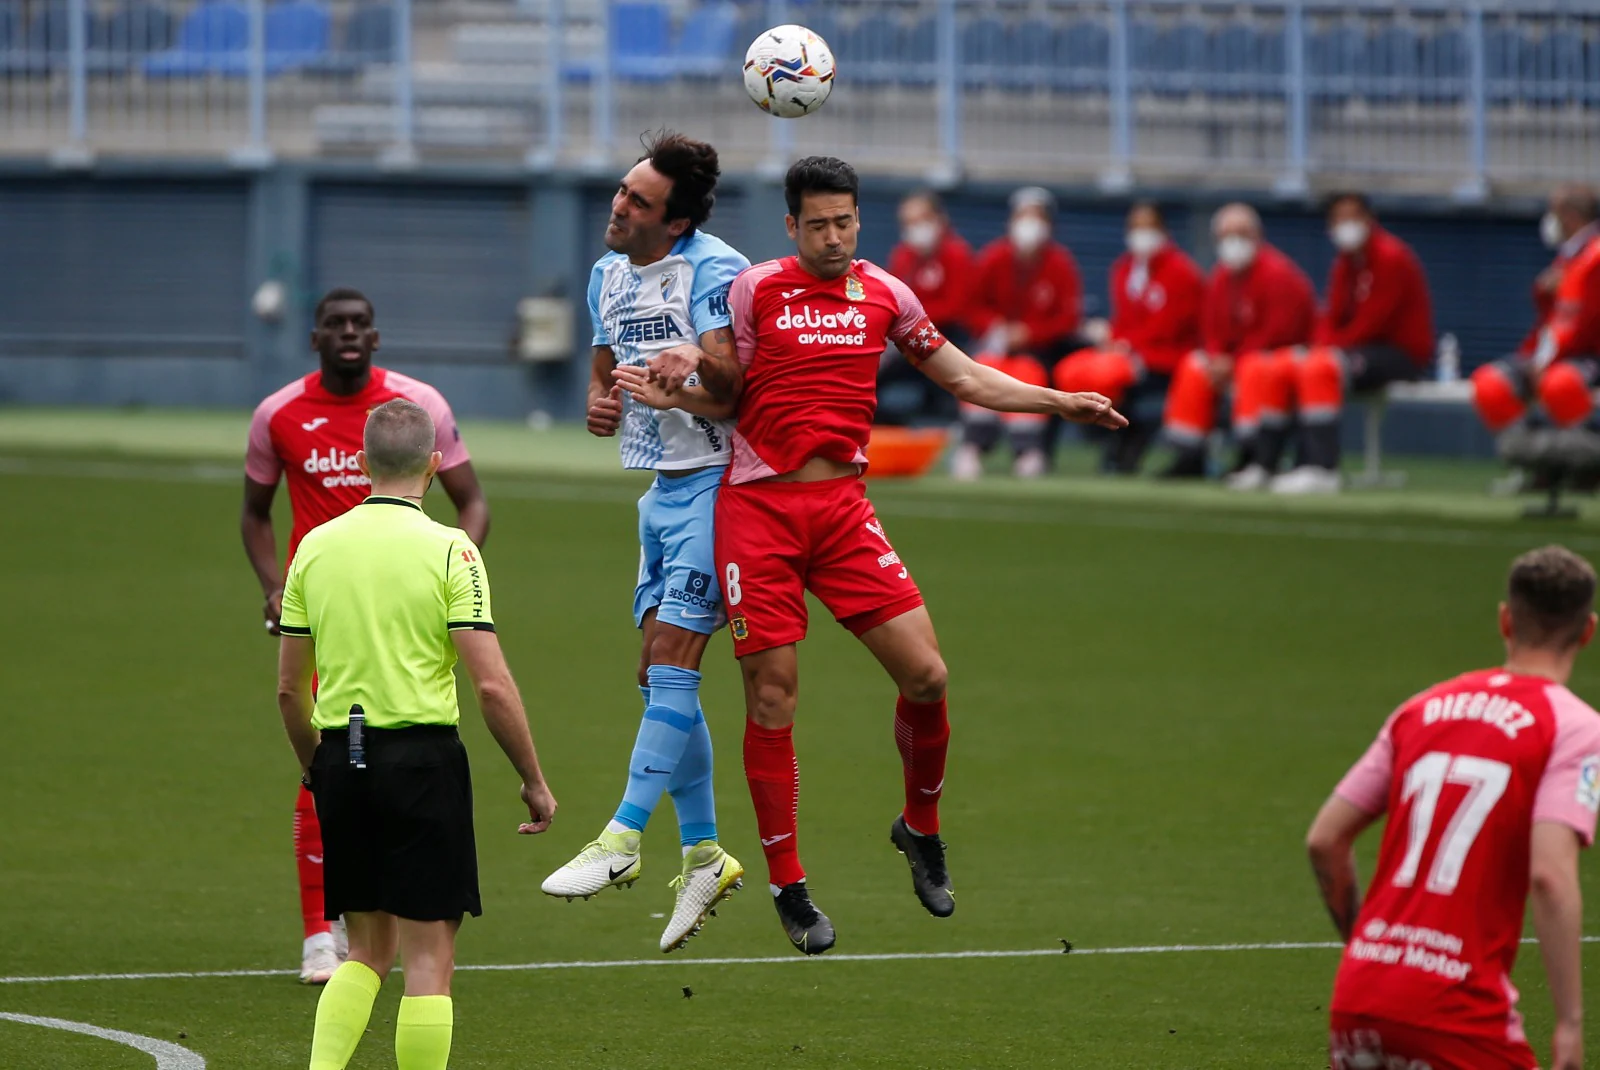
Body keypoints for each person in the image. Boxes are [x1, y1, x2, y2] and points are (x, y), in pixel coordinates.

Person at [619, 156, 1123, 955]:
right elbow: (726, 388)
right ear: (791, 226)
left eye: (844, 221)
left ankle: (918, 826)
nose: (832, 237)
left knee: (927, 675)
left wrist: (1058, 400)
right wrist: (674, 386)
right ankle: (790, 886)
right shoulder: (755, 290)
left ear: (859, 219)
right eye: (816, 224)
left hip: (845, 512)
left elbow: (961, 375)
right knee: (773, 698)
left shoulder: (886, 293)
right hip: (759, 512)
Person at [279, 398, 556, 1070]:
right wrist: (533, 778)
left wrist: (319, 769)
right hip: (422, 762)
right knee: (429, 961)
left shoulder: (315, 547)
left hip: (342, 759)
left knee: (366, 951)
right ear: (435, 465)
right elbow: (490, 684)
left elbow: (289, 690)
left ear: (361, 464)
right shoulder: (452, 550)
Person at [243, 287, 490, 984]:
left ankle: (360, 925)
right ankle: (320, 934)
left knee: (351, 755)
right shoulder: (278, 415)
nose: (349, 334)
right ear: (315, 337)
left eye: (360, 325)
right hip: (326, 608)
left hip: (402, 609)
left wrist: (452, 583)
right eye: (335, 325)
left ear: (375, 338)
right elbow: (254, 514)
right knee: (326, 758)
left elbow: (474, 504)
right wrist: (274, 586)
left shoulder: (417, 408)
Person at [539, 130, 747, 953]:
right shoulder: (606, 274)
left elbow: (731, 389)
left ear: (678, 221)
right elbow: (603, 373)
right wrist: (600, 403)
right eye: (622, 191)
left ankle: (622, 839)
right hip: (660, 495)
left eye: (637, 201)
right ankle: (702, 852)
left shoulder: (714, 271)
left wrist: (689, 363)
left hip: (721, 487)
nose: (618, 207)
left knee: (670, 660)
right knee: (659, 674)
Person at [1306, 544, 1600, 1070]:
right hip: (1458, 1012)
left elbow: (1325, 840)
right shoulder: (1576, 729)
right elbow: (1551, 878)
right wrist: (1570, 1023)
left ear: (1506, 620)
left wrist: (1372, 949)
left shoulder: (1420, 709)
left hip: (1359, 998)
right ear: (1587, 631)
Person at [1245, 193, 1434, 494]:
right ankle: (1266, 463)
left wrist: (1323, 351)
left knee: (1319, 367)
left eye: (1352, 217)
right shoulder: (1345, 263)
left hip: (1397, 354)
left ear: (1369, 220)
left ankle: (1321, 467)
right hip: (1356, 350)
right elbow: (1330, 316)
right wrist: (1316, 347)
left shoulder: (1391, 258)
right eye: (1338, 219)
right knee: (1280, 365)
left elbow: (1373, 323)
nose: (1345, 225)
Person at [1159, 203, 1317, 480]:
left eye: (1241, 234)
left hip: (1276, 361)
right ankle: (1189, 455)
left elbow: (1279, 334)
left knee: (1253, 368)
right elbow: (1211, 328)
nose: (1233, 243)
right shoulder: (1221, 276)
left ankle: (1254, 454)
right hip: (1236, 361)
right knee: (1195, 366)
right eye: (1226, 235)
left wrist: (1233, 362)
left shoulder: (1278, 274)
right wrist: (1217, 357)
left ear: (1257, 236)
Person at [1051, 202, 1205, 473]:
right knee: (1071, 372)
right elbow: (1124, 321)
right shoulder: (1123, 270)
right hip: (1128, 354)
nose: (1141, 234)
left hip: (1165, 358)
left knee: (1109, 379)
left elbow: (1170, 327)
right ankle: (1107, 438)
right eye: (1136, 227)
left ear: (1163, 230)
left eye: (1148, 227)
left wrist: (1130, 346)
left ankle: (1123, 442)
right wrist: (1115, 339)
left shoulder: (1182, 272)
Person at [953, 186, 1085, 479]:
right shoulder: (993, 258)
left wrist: (1030, 332)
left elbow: (1068, 318)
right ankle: (972, 446)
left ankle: (1028, 451)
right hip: (994, 345)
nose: (1028, 225)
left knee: (1028, 374)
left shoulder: (1061, 264)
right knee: (981, 372)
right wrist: (996, 327)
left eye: (1035, 217)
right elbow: (971, 305)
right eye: (1022, 217)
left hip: (1040, 351)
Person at [1472, 185, 1600, 435]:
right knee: (1490, 383)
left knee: (1560, 384)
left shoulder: (1592, 258)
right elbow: (1550, 321)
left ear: (1571, 216)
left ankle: (1586, 465)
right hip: (1554, 354)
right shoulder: (1569, 255)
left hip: (1588, 356)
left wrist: (1543, 363)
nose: (1549, 221)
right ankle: (1533, 459)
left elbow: (1576, 322)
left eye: (1553, 212)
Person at [881, 191, 975, 423]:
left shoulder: (956, 254)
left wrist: (909, 320)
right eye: (908, 222)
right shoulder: (903, 256)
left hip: (947, 339)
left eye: (921, 220)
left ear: (938, 219)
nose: (916, 228)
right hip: (907, 341)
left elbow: (957, 307)